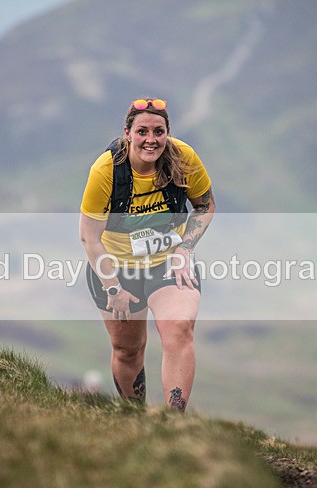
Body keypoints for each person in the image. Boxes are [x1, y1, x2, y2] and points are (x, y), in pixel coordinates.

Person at [79, 98, 215, 412]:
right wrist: (113, 288)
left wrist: (185, 249)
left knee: (179, 327)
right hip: (115, 268)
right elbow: (90, 237)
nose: (150, 140)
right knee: (128, 350)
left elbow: (205, 206)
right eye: (142, 131)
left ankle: (173, 422)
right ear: (127, 133)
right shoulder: (106, 169)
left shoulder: (183, 158)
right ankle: (135, 419)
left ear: (168, 133)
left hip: (167, 262)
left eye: (158, 131)